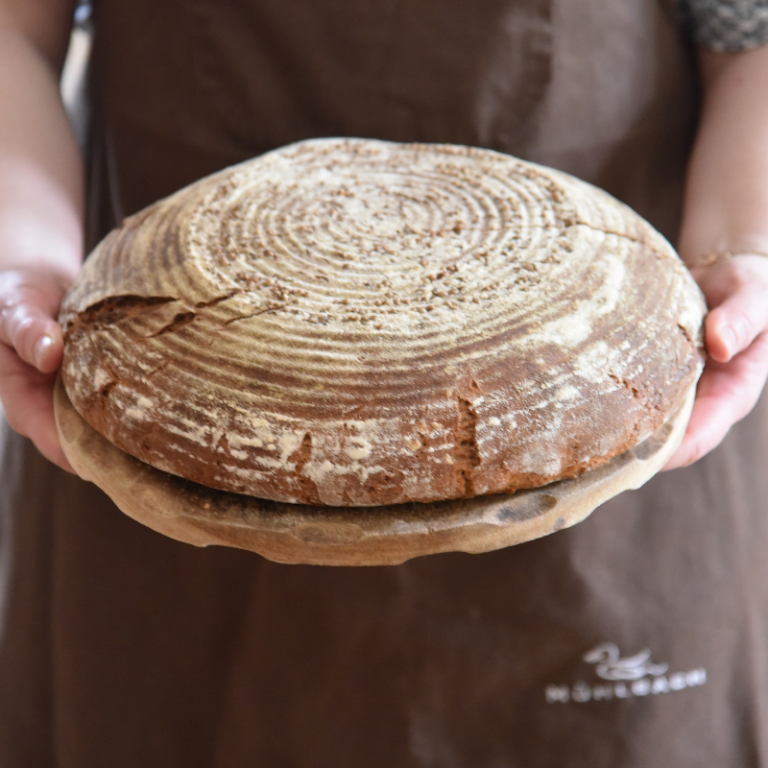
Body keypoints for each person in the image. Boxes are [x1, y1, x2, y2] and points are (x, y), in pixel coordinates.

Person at [0, 0, 767, 765]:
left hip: (604, 415)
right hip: (165, 436)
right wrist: (23, 258)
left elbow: (753, 42)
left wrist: (749, 246)